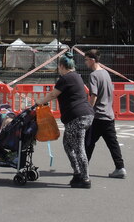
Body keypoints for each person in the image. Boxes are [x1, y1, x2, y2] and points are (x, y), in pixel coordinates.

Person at [35, 51, 94, 188]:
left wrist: (39, 102)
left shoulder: (65, 78)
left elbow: (52, 95)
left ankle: (85, 179)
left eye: (59, 67)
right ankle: (77, 173)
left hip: (77, 117)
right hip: (84, 115)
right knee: (68, 145)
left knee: (78, 148)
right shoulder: (77, 76)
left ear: (61, 66)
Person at [84, 49, 126, 178]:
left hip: (97, 115)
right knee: (112, 143)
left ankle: (82, 168)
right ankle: (120, 167)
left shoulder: (93, 76)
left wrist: (89, 111)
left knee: (88, 143)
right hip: (108, 114)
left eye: (86, 60)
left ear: (92, 60)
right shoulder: (106, 73)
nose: (85, 63)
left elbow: (94, 95)